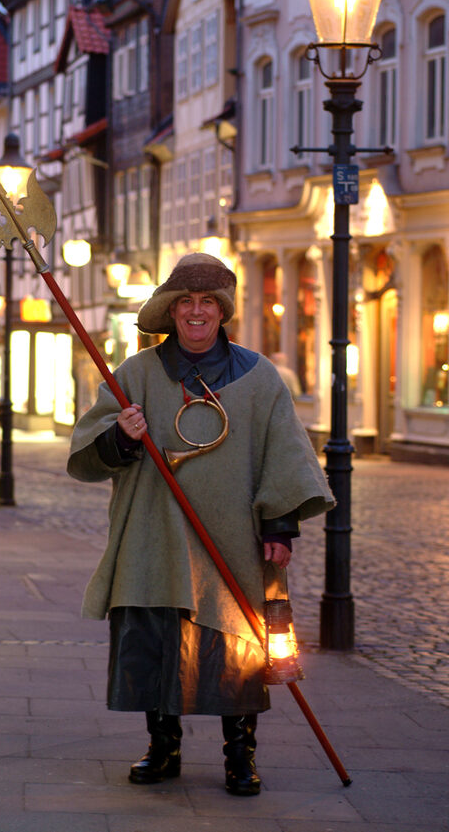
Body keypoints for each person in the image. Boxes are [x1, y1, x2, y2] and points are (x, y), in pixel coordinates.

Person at [67, 253, 334, 796]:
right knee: (159, 641)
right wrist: (122, 436)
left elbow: (285, 453)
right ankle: (162, 748)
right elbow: (88, 455)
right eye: (185, 302)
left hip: (231, 537)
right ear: (169, 309)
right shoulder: (136, 375)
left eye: (206, 302)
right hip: (153, 535)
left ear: (221, 311)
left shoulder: (261, 378)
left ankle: (241, 755)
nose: (195, 312)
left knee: (237, 649)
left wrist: (279, 526)